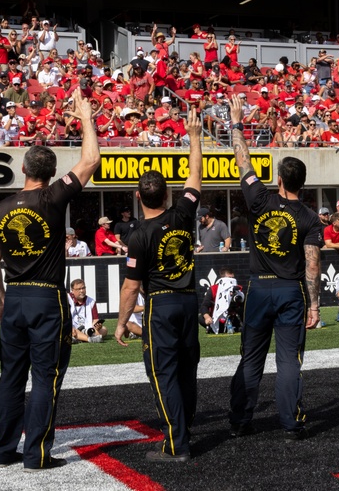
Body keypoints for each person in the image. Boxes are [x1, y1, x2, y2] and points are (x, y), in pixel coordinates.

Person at [0, 88, 100, 470]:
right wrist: (84, 116)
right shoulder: (53, 198)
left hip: (14, 297)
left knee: (10, 377)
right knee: (45, 377)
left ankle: (2, 450)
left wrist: (1, 298)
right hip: (46, 297)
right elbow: (91, 159)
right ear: (51, 174)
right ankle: (35, 454)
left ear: (23, 170)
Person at [225, 96, 322, 439]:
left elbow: (243, 160)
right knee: (288, 362)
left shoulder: (260, 199)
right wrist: (314, 304)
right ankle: (291, 424)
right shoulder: (309, 217)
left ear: (279, 179)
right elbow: (312, 264)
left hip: (259, 288)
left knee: (251, 359)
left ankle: (239, 421)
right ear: (302, 183)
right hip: (290, 290)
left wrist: (237, 123)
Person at [114, 110, 203, 462]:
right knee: (186, 370)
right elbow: (195, 177)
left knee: (163, 373)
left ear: (139, 197)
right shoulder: (182, 214)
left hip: (162, 306)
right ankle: (185, 429)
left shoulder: (138, 237)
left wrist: (121, 323)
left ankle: (176, 444)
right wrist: (194, 137)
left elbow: (130, 288)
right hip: (188, 302)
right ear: (167, 195)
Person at [69, 278, 108, 343]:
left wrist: (97, 327)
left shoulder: (91, 301)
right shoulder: (67, 299)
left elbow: (95, 320)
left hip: (87, 329)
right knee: (67, 329)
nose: (81, 291)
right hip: (72, 328)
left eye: (83, 288)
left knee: (104, 329)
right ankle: (90, 339)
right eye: (78, 289)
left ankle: (79, 338)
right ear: (72, 290)